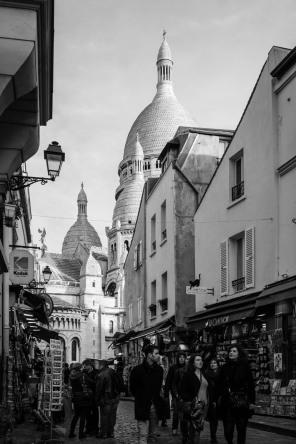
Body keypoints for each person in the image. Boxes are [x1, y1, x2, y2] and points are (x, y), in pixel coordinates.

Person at [217, 344, 255, 444]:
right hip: (228, 401)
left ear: (239, 354)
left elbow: (251, 384)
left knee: (241, 428)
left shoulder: (245, 366)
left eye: (234, 351)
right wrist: (220, 396)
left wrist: (252, 401)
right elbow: (219, 384)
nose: (231, 353)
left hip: (241, 400)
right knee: (228, 430)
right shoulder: (224, 367)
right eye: (230, 351)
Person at [129, 345, 166, 444]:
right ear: (149, 355)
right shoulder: (137, 370)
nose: (159, 356)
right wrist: (142, 395)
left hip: (155, 405)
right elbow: (132, 388)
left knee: (153, 435)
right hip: (142, 405)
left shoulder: (159, 370)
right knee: (143, 434)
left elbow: (158, 387)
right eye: (156, 353)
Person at [179, 354, 210, 444]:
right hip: (195, 406)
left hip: (205, 406)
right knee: (196, 431)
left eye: (201, 360)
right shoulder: (189, 375)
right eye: (197, 360)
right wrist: (191, 401)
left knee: (196, 430)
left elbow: (207, 390)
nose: (200, 362)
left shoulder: (204, 374)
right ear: (192, 363)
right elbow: (182, 391)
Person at [95, 359, 120, 439]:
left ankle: (104, 433)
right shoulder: (112, 371)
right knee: (112, 416)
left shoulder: (101, 374)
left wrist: (97, 399)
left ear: (101, 365)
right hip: (115, 396)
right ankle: (111, 432)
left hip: (106, 397)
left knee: (104, 416)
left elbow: (99, 389)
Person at [68, 363, 94, 439]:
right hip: (84, 397)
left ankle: (71, 432)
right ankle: (81, 434)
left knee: (76, 415)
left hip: (76, 397)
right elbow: (92, 382)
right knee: (83, 416)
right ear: (80, 368)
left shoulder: (72, 376)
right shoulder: (83, 375)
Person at [164, 352, 186, 435]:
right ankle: (175, 427)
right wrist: (167, 392)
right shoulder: (173, 367)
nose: (181, 359)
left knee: (184, 412)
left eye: (183, 357)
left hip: (184, 394)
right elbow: (169, 380)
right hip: (175, 393)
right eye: (180, 357)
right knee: (176, 412)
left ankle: (184, 429)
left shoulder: (187, 368)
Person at [204, 358, 221, 444]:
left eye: (215, 363)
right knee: (213, 419)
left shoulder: (221, 374)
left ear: (218, 364)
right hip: (210, 399)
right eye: (211, 363)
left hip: (220, 399)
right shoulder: (206, 374)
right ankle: (213, 437)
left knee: (216, 418)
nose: (213, 364)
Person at [81, 359, 99, 436]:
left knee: (94, 413)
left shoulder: (96, 372)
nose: (84, 367)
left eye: (85, 366)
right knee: (87, 413)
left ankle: (95, 429)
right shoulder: (84, 372)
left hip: (94, 395)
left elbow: (97, 383)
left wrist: (88, 379)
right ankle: (88, 428)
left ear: (89, 365)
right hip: (86, 396)